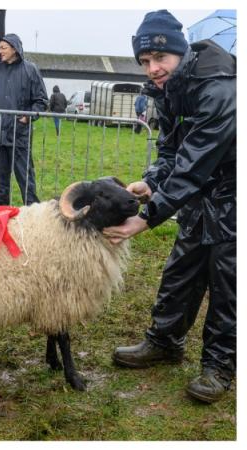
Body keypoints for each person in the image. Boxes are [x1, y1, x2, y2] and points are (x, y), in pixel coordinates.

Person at [104, 10, 236, 404]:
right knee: (180, 271)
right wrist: (152, 180)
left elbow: (196, 161)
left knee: (227, 284)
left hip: (233, 195)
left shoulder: (220, 89)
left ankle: (219, 366)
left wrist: (147, 217)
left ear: (180, 52)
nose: (153, 68)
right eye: (145, 61)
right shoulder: (169, 90)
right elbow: (171, 152)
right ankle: (164, 341)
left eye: (160, 58)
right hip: (199, 198)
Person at [0, 33, 48, 206]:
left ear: (14, 49)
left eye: (3, 48)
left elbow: (41, 101)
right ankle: (1, 216)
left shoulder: (30, 69)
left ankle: (34, 215)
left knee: (25, 179)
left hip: (19, 135)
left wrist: (26, 118)